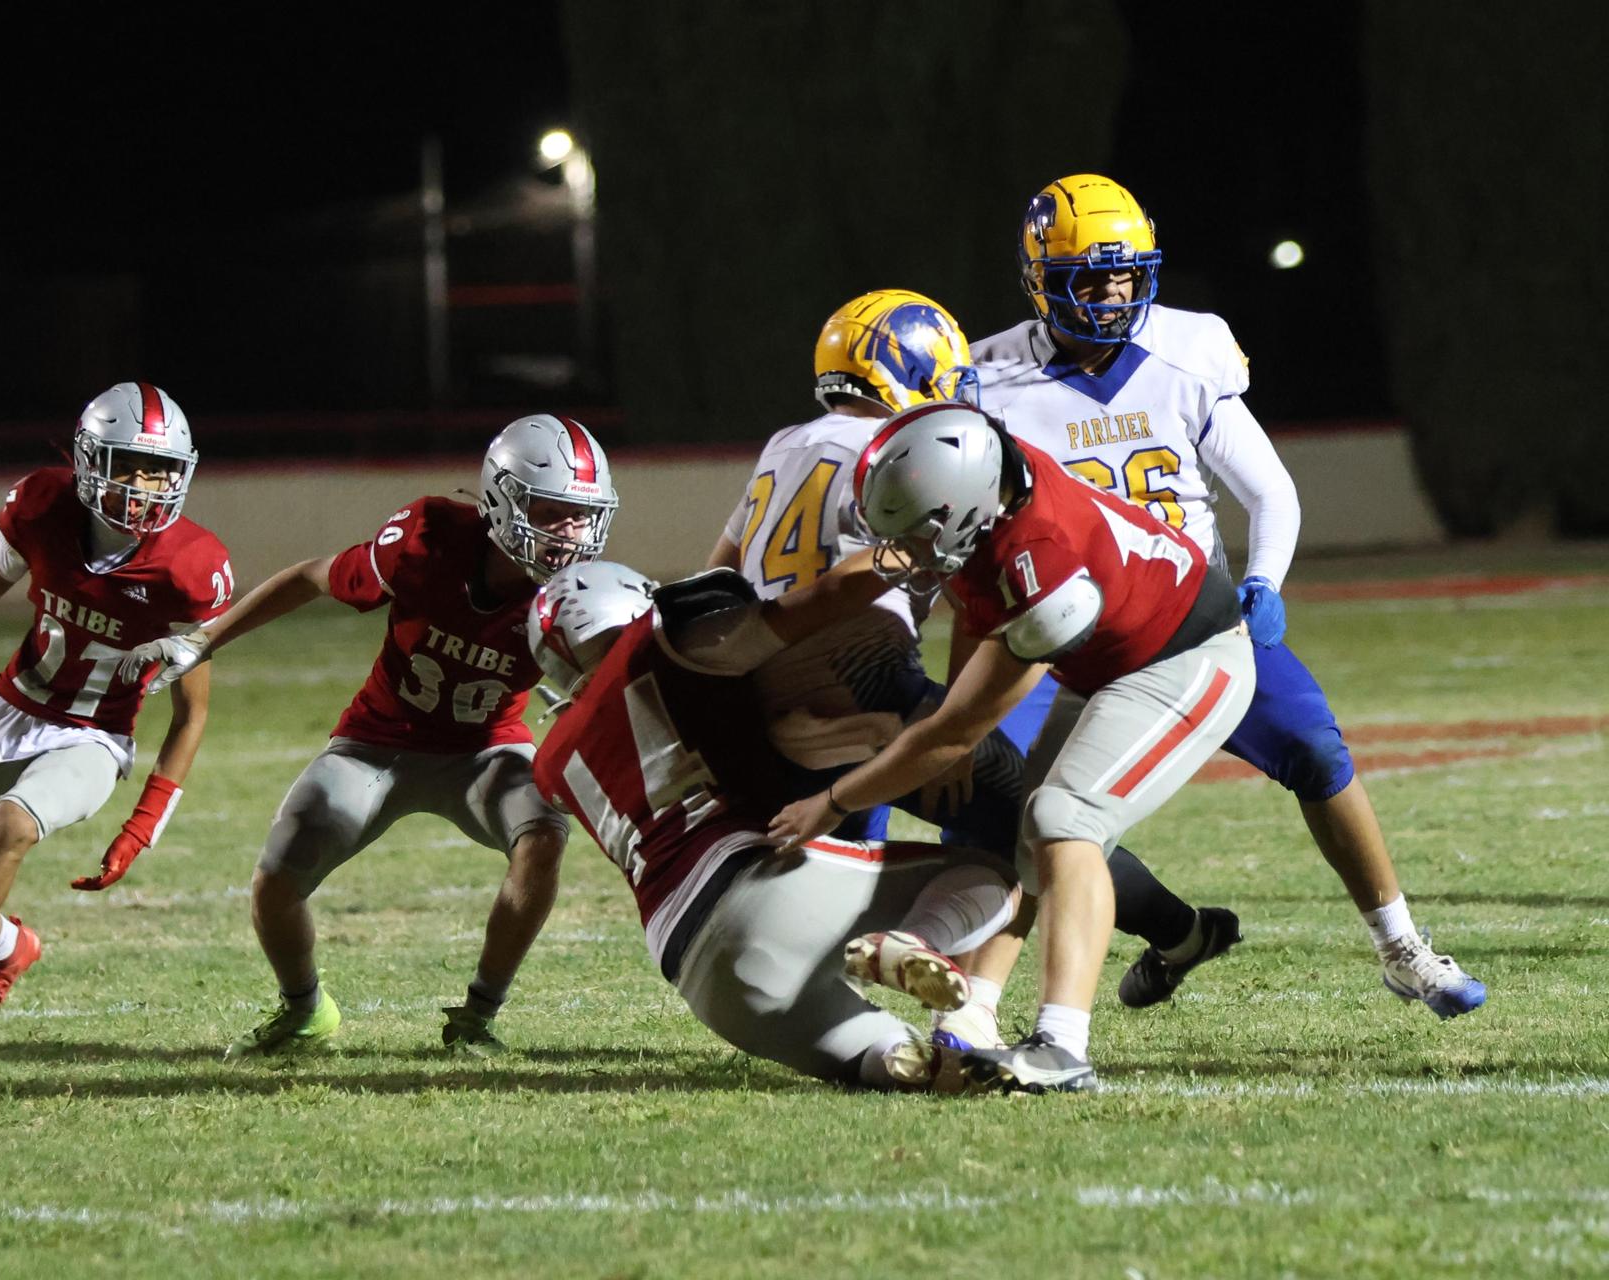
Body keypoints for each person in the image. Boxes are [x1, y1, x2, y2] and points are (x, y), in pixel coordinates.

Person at [964, 173, 1484, 1017]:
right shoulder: (984, 381)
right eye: (1089, 279)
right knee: (1008, 823)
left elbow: (1269, 491)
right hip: (1066, 642)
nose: (1112, 294)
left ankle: (1402, 947)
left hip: (1189, 622)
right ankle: (1136, 947)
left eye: (1126, 274)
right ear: (1038, 281)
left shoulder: (1187, 349)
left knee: (1316, 752)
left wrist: (1261, 583)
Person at [707, 288, 1234, 1046]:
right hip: (864, 685)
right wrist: (938, 715)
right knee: (1038, 825)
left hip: (764, 689)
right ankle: (1160, 934)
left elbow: (721, 572)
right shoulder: (907, 456)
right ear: (912, 366)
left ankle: (889, 975)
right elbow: (895, 577)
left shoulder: (785, 443)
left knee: (847, 858)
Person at [769, 402, 1257, 1093]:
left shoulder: (1038, 562)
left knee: (1064, 819)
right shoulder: (987, 483)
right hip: (1112, 656)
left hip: (1190, 657)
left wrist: (832, 800)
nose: (905, 552)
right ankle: (976, 1017)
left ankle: (1062, 1046)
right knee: (1026, 831)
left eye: (916, 532)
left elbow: (954, 732)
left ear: (962, 508)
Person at [121, 415, 617, 1057]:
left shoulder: (584, 594)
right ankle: (304, 1010)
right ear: (502, 498)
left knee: (544, 836)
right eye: (553, 511)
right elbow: (309, 577)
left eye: (583, 516)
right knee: (276, 880)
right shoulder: (426, 540)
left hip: (486, 746)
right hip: (378, 741)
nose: (569, 534)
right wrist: (203, 637)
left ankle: (477, 1016)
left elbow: (622, 688)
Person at [527, 559, 1020, 1090]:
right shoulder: (666, 641)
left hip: (694, 971)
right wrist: (903, 555)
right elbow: (815, 604)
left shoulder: (550, 761)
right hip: (747, 883)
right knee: (993, 875)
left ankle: (908, 1059)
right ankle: (913, 939)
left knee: (891, 1060)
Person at [0, 382, 232, 1031]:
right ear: (89, 461)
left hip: (94, 735)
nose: (145, 488)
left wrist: (143, 823)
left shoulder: (189, 569)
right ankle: (12, 949)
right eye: (129, 469)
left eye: (160, 473)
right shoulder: (43, 508)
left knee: (12, 827)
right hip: (14, 707)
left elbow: (191, 713)